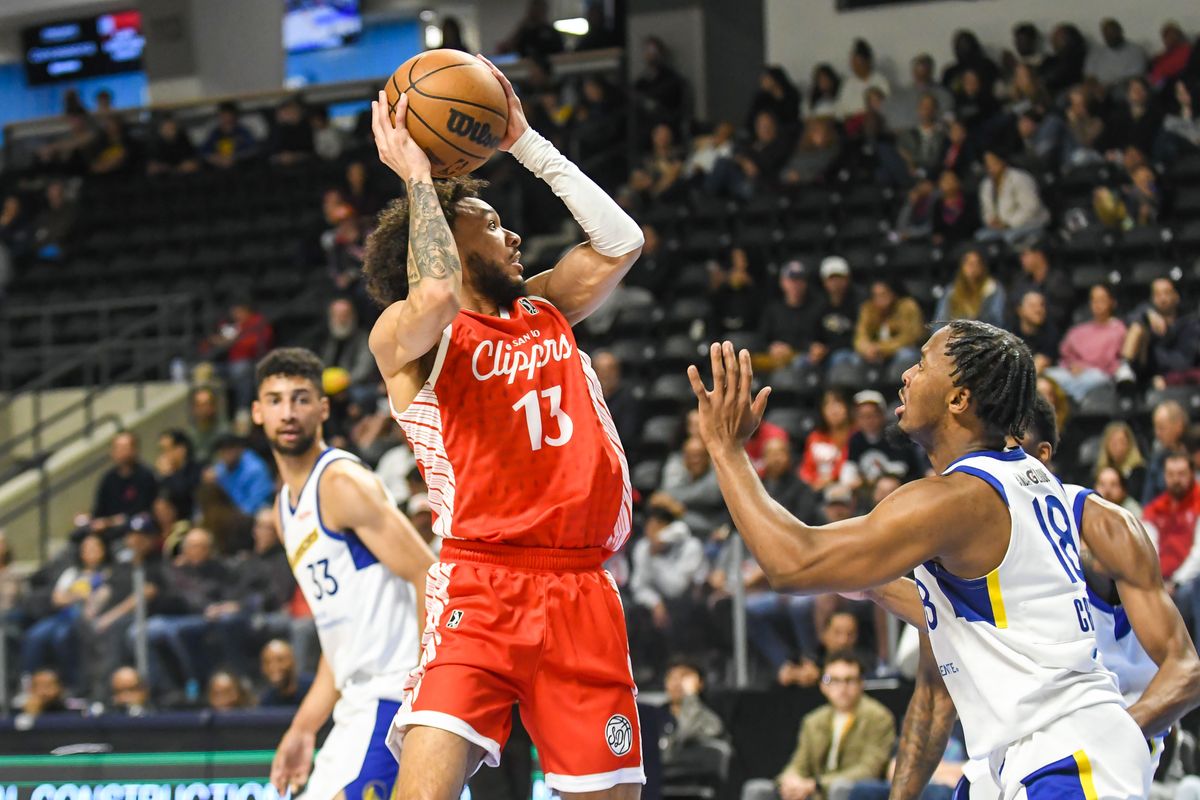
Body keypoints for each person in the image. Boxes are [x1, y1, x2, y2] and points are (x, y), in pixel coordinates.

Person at [687, 322, 1151, 797]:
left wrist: (726, 449)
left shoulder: (956, 499)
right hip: (1018, 757)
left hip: (1065, 754)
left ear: (958, 399)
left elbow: (791, 563)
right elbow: (962, 632)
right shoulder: (1015, 480)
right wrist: (873, 582)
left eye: (923, 363)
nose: (906, 375)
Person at [363, 53, 646, 798]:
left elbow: (622, 243)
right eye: (491, 224)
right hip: (481, 586)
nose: (514, 235)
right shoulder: (408, 337)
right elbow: (430, 295)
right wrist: (419, 179)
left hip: (583, 586)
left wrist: (525, 143)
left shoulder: (546, 307)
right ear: (449, 246)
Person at [858, 396, 1200, 796]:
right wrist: (874, 586)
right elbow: (935, 696)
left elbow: (1188, 671)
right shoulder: (962, 546)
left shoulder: (1092, 522)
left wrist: (1118, 735)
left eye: (1006, 449)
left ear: (1039, 456)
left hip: (1094, 739)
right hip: (1010, 751)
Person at [256, 348, 434, 799]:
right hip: (354, 707)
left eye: (300, 398)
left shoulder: (339, 483)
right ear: (257, 412)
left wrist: (425, 687)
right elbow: (338, 639)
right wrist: (302, 727)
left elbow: (427, 573)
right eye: (275, 400)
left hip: (393, 698)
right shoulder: (283, 511)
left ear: (323, 408)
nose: (288, 412)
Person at [740, 652, 896, 800]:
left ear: (861, 683)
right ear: (823, 685)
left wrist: (817, 785)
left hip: (848, 792)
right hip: (813, 792)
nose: (842, 688)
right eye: (833, 680)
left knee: (840, 788)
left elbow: (869, 769)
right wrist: (789, 782)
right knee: (757, 789)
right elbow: (799, 764)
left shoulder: (878, 717)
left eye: (849, 680)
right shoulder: (813, 720)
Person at [1042, 284, 1127, 403]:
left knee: (1097, 378)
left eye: (1102, 300)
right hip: (1073, 373)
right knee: (1046, 375)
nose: (1097, 304)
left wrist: (1085, 367)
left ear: (1112, 302)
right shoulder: (1078, 330)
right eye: (1094, 300)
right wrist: (1072, 365)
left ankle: (1072, 399)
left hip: (1099, 373)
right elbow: (1066, 354)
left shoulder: (1118, 329)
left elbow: (1109, 361)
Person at [89, 431, 158, 535]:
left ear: (135, 450)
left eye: (125, 448)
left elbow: (143, 509)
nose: (121, 452)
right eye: (118, 448)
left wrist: (111, 522)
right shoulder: (108, 478)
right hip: (106, 529)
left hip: (134, 530)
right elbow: (99, 510)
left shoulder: (146, 476)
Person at [975, 149, 1049, 245]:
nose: (990, 166)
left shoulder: (1020, 178)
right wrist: (991, 221)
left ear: (1002, 161)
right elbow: (986, 210)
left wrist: (1008, 223)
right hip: (1001, 227)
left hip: (1030, 222)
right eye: (987, 163)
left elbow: (1031, 208)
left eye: (993, 162)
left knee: (1010, 237)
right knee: (980, 236)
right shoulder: (986, 184)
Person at [933, 249, 1006, 329]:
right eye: (969, 263)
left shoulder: (993, 289)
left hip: (984, 337)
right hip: (955, 336)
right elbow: (941, 320)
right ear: (962, 266)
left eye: (976, 264)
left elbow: (997, 321)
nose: (973, 268)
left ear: (982, 267)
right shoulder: (952, 291)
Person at [1085, 19, 1148, 88]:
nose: (1110, 37)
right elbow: (1089, 76)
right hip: (1099, 88)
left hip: (1123, 88)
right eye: (1106, 34)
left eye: (1112, 33)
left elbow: (1136, 77)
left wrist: (1109, 87)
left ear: (1120, 32)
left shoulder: (1136, 51)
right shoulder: (1096, 52)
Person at [1007, 290, 1059, 373]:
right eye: (1032, 306)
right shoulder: (1009, 332)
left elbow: (1042, 361)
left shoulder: (1051, 333)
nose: (1038, 310)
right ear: (1020, 310)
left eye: (1042, 305)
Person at [1095, 422, 1147, 502]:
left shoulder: (1139, 471)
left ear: (1129, 444)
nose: (1118, 447)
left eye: (1122, 442)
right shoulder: (1100, 470)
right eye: (1114, 442)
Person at [259, 639, 313, 707]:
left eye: (280, 660)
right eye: (267, 662)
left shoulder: (314, 688)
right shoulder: (266, 701)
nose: (273, 667)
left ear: (293, 661)